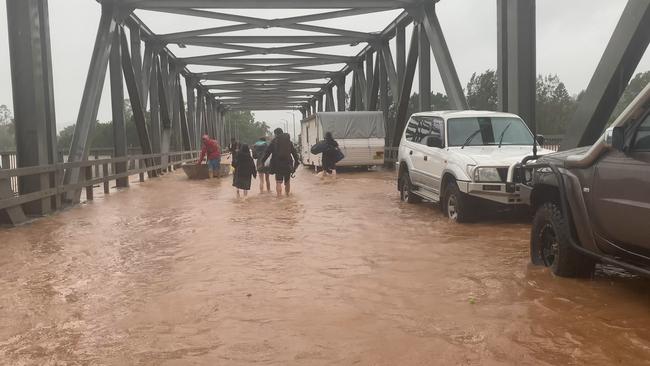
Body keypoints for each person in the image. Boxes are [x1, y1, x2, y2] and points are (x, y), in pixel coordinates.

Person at [262, 128, 300, 197]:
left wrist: (263, 161)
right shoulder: (289, 142)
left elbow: (267, 152)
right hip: (288, 164)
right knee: (287, 181)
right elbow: (294, 153)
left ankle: (279, 197)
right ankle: (287, 196)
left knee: (278, 182)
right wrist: (296, 163)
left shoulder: (274, 141)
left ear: (276, 134)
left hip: (277, 164)